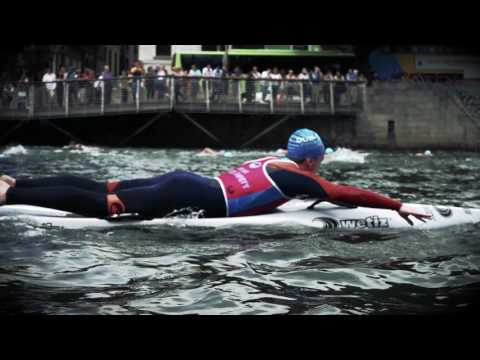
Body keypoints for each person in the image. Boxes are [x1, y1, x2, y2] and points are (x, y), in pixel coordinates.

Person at [0, 129, 431, 225]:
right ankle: (8, 200)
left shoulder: (272, 162)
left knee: (104, 186)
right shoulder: (301, 178)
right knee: (107, 205)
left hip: (187, 180)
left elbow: (322, 194)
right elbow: (339, 191)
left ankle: (16, 184)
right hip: (194, 193)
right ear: (315, 160)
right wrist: (396, 204)